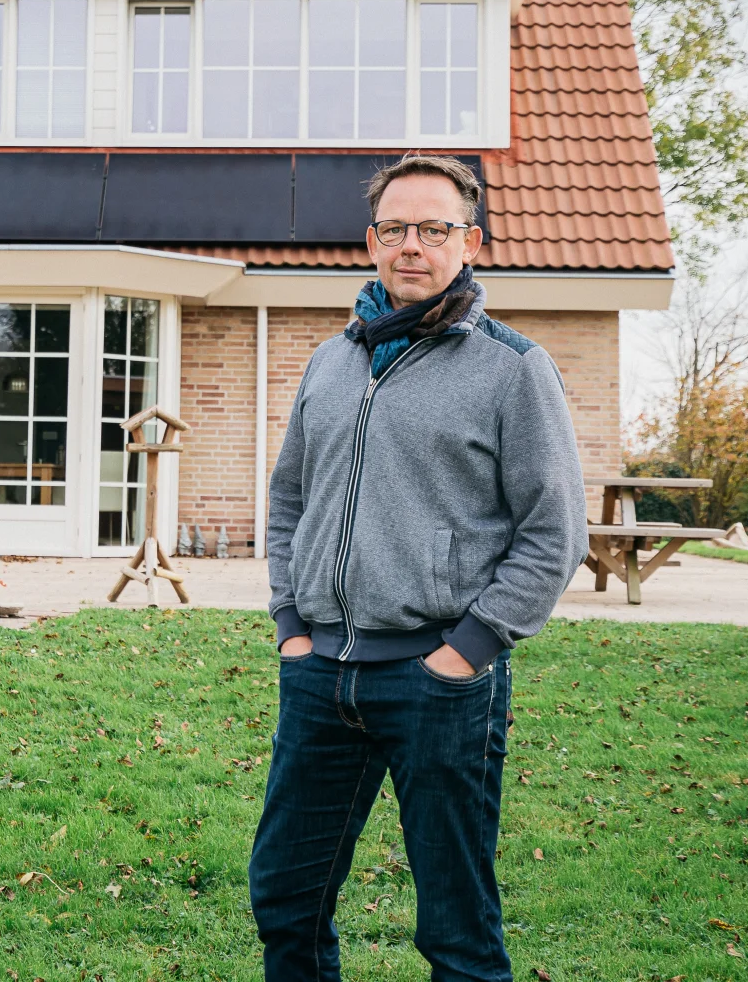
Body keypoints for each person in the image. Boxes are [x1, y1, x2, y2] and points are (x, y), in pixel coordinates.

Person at [250, 154, 588, 982]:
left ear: (467, 242)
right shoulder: (331, 362)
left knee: (455, 926)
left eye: (434, 229)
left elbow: (555, 532)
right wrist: (292, 626)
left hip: (439, 683)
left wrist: (466, 649)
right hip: (321, 674)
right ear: (372, 241)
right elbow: (289, 496)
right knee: (285, 898)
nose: (413, 244)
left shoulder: (512, 369)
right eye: (396, 228)